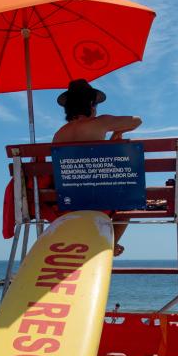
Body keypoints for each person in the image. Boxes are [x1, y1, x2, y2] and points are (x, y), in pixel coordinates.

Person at [53, 79, 142, 256]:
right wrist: (117, 132)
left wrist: (109, 144)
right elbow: (137, 121)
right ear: (91, 104)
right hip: (100, 201)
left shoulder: (59, 134)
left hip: (67, 202)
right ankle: (111, 245)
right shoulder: (100, 123)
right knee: (129, 204)